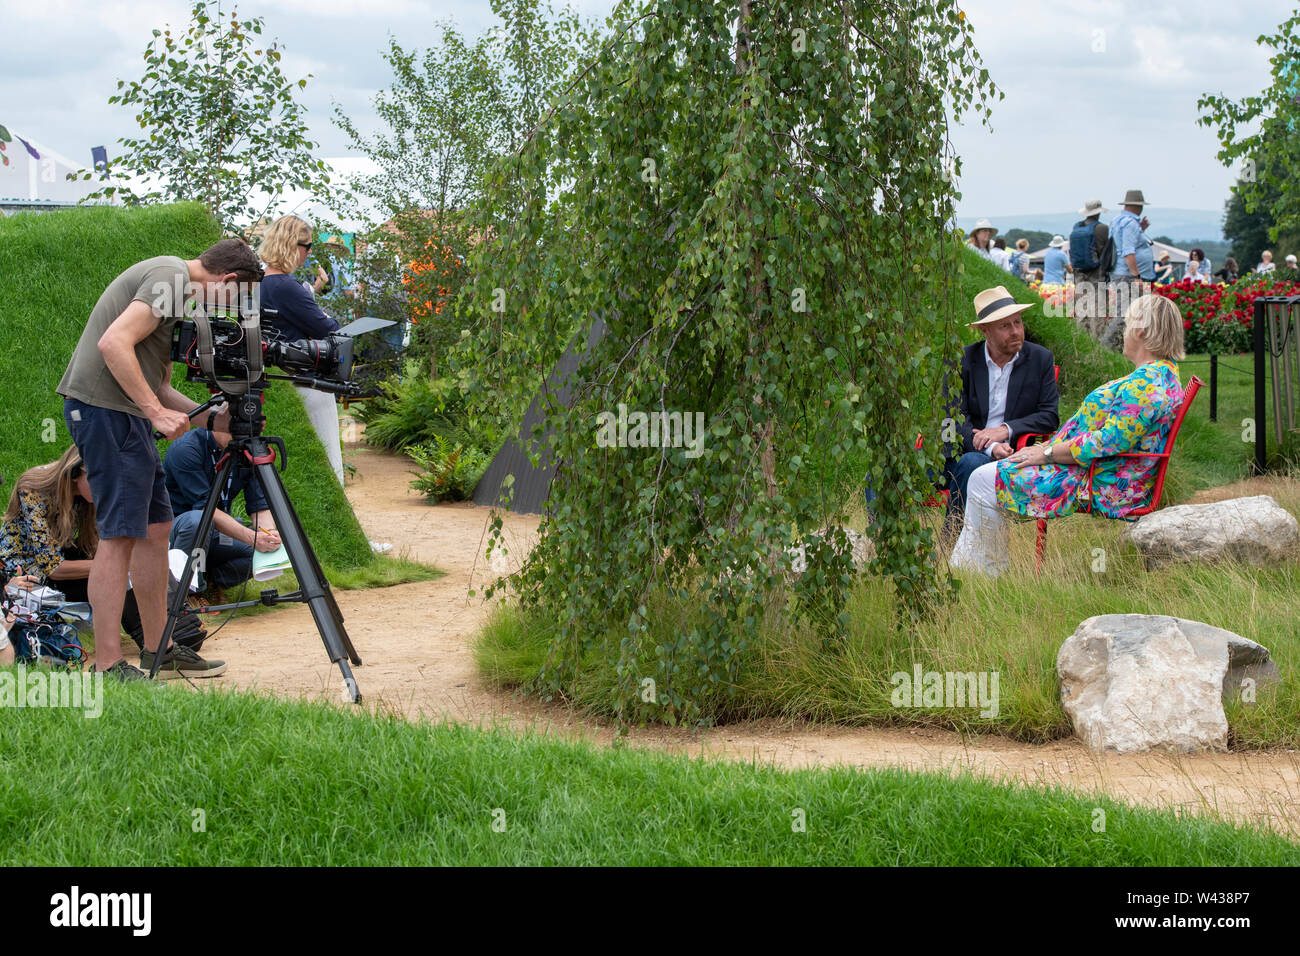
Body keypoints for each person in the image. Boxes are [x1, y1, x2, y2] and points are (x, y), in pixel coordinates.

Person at [56, 239, 260, 681]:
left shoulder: (176, 292)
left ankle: (159, 649)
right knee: (119, 535)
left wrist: (213, 417)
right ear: (226, 281)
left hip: (124, 416)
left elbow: (160, 387)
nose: (232, 310)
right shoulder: (172, 276)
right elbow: (114, 344)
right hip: (108, 413)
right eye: (238, 297)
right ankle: (108, 664)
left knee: (154, 530)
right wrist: (154, 412)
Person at [949, 294, 1185, 577]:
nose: (1123, 331)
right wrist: (1047, 449)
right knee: (983, 477)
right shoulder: (1161, 376)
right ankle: (971, 572)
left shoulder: (1146, 385)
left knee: (983, 479)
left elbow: (1106, 442)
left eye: (1128, 323)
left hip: (1097, 480)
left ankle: (982, 574)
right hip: (1092, 470)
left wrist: (1046, 453)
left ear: (1142, 332)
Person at [259, 215, 346, 487]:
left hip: (279, 379)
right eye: (306, 246)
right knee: (328, 461)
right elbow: (329, 329)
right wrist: (320, 314)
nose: (309, 253)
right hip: (307, 380)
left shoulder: (259, 283)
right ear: (290, 245)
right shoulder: (287, 286)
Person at [164, 420, 282, 597]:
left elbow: (259, 506)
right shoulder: (186, 449)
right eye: (234, 430)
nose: (241, 437)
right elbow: (205, 508)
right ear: (216, 423)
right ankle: (187, 595)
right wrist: (251, 537)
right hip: (176, 533)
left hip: (215, 530)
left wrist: (268, 534)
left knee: (262, 553)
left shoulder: (246, 450)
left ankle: (210, 584)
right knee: (197, 522)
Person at [1069, 199, 1113, 335]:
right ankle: (1096, 341)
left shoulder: (1077, 227)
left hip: (1079, 275)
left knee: (1082, 309)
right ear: (1099, 212)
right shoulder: (1102, 228)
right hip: (1096, 274)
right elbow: (1107, 252)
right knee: (1097, 310)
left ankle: (1082, 339)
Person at [1110, 189, 1155, 283]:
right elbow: (1128, 251)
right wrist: (1136, 276)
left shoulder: (1117, 220)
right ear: (1138, 207)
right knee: (1131, 298)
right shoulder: (1131, 223)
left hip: (1121, 273)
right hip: (1129, 276)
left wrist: (1141, 230)